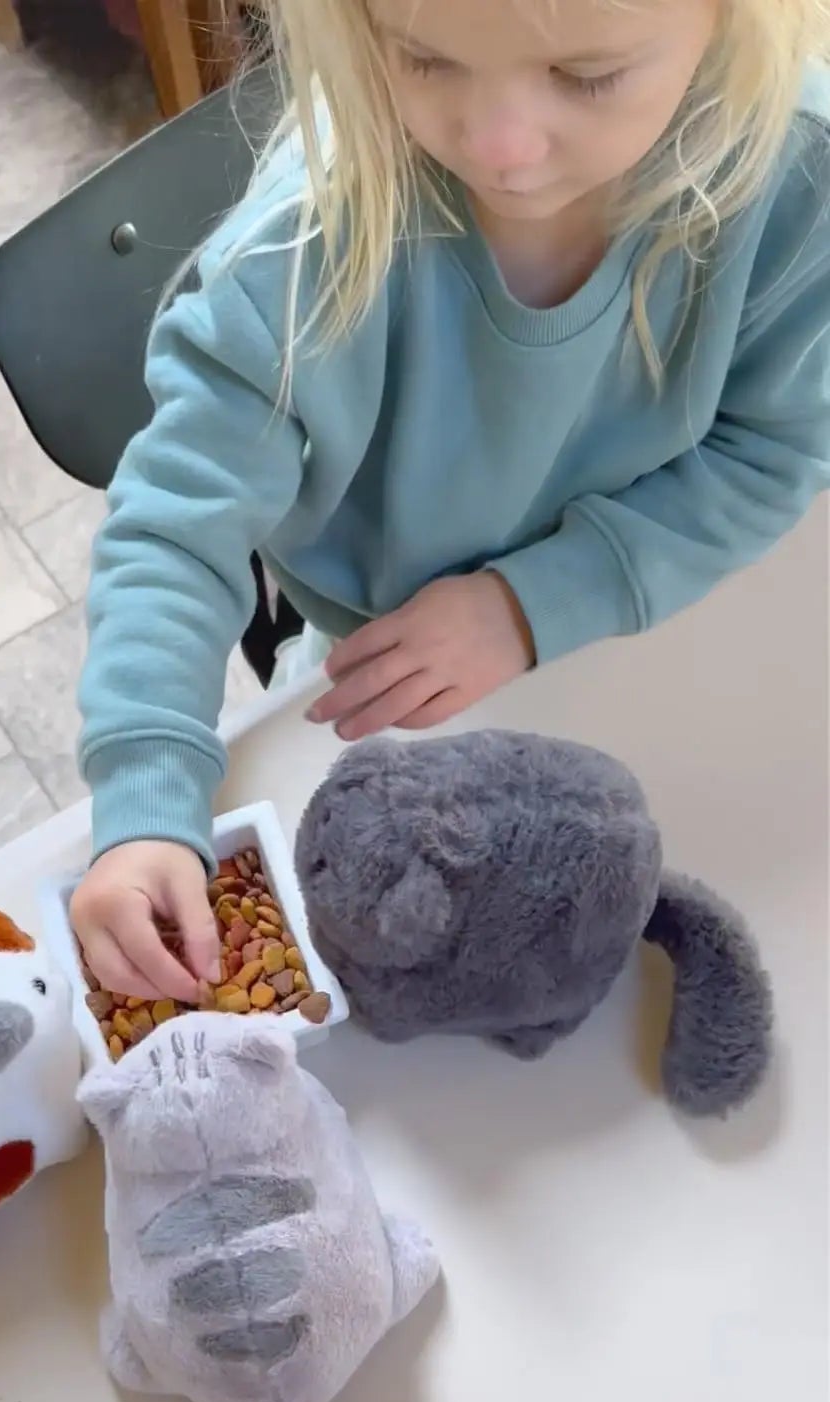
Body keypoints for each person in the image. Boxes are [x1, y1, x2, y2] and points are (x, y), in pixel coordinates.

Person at [71, 0, 830, 1003]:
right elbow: (174, 528)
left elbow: (773, 448)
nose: (500, 147)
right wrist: (144, 800)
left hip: (644, 635)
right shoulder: (306, 242)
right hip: (380, 672)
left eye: (588, 76)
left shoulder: (797, 177)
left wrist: (532, 603)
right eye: (423, 59)